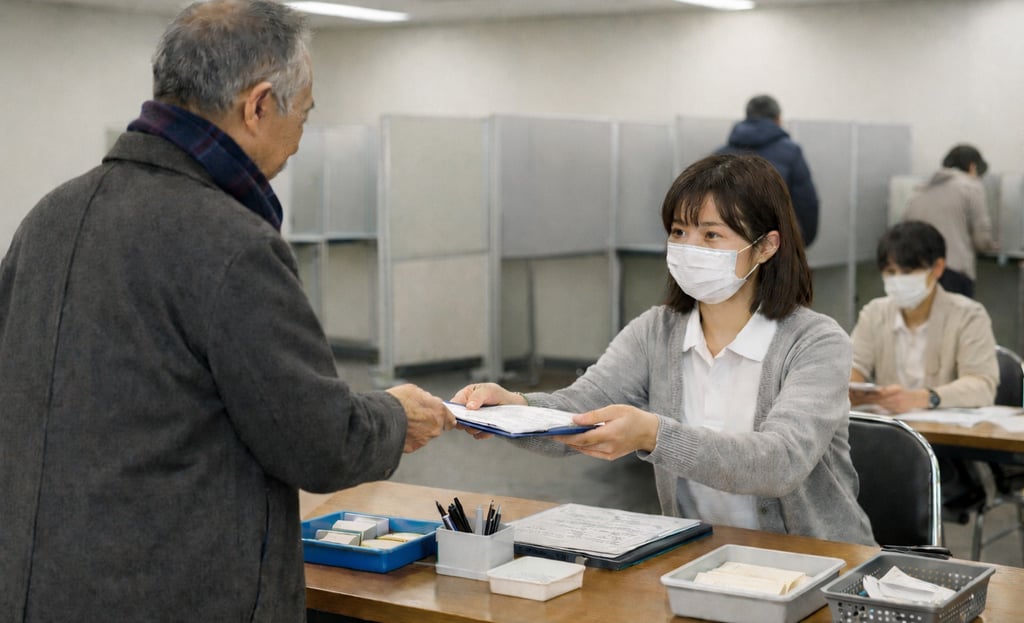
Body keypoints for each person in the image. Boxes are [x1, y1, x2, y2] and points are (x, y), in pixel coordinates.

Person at [0, 2, 455, 621]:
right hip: (172, 590)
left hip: (34, 584)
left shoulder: (48, 217)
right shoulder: (230, 243)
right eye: (304, 114)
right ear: (260, 105)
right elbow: (317, 442)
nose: (300, 138)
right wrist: (394, 416)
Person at [453, 154, 875, 546]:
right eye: (679, 232)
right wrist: (515, 407)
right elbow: (580, 409)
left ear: (766, 246)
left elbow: (779, 462)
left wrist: (655, 435)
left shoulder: (816, 341)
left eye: (712, 235)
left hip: (818, 562)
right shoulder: (656, 330)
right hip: (700, 560)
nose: (690, 249)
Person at [849, 220, 998, 414]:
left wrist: (921, 398)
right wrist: (851, 390)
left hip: (949, 436)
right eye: (890, 272)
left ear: (937, 267)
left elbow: (982, 386)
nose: (898, 280)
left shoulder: (969, 315)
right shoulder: (874, 313)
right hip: (888, 433)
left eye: (908, 272)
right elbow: (852, 369)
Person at [715, 94, 819, 247]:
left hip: (731, 243)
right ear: (777, 119)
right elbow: (806, 202)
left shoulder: (719, 155)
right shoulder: (791, 152)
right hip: (777, 242)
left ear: (748, 117)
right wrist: (802, 241)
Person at [902, 144, 998, 298]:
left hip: (916, 273)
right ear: (972, 167)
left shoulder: (919, 190)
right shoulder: (971, 186)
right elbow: (981, 238)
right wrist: (989, 245)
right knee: (955, 321)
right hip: (952, 272)